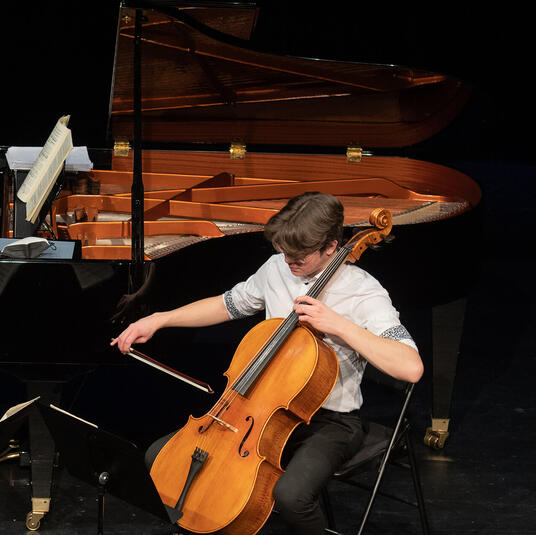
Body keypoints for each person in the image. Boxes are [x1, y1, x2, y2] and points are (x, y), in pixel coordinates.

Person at [111, 192, 423, 535]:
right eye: (284, 253)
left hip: (331, 422)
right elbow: (227, 305)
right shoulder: (278, 267)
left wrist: (339, 325)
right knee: (160, 456)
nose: (288, 261)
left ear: (331, 247)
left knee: (290, 496)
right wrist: (159, 319)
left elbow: (410, 367)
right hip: (257, 408)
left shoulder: (365, 294)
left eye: (299, 257)